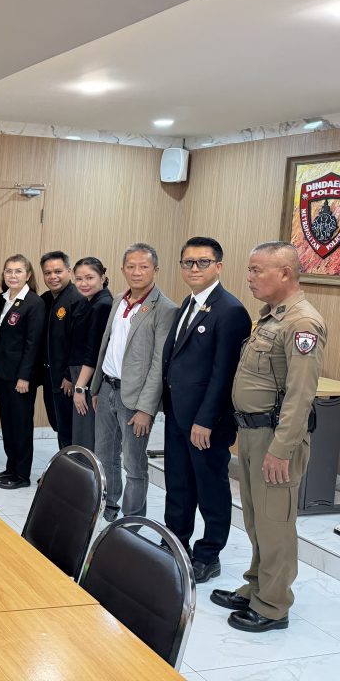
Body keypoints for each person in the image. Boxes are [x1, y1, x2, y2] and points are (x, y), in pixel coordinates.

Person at [213, 242, 326, 633]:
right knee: (256, 518)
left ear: (285, 273)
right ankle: (257, 585)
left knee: (275, 523)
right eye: (250, 269)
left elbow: (300, 395)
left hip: (275, 439)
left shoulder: (302, 323)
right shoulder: (271, 318)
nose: (250, 278)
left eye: (257, 270)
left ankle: (274, 605)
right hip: (252, 433)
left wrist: (281, 450)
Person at [162, 237, 250, 584]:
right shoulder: (189, 302)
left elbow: (224, 373)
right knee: (178, 483)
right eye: (188, 262)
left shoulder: (230, 311)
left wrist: (205, 420)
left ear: (219, 266)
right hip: (177, 414)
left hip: (206, 422)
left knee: (210, 488)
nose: (194, 268)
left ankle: (209, 554)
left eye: (202, 262)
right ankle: (175, 541)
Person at [92, 243, 176, 521]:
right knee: (105, 455)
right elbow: (106, 346)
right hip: (107, 387)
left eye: (143, 267)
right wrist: (96, 387)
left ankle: (133, 521)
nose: (136, 272)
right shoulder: (118, 300)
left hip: (136, 399)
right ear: (122, 269)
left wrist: (146, 409)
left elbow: (158, 364)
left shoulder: (165, 309)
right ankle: (109, 506)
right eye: (131, 266)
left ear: (155, 270)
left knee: (134, 464)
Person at [0, 255, 45, 489]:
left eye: (18, 271)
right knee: (8, 423)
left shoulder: (34, 303)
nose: (13, 275)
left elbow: (33, 344)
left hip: (21, 377)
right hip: (2, 372)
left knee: (21, 425)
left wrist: (24, 376)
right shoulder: (2, 299)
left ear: (28, 275)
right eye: (8, 271)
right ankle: (11, 467)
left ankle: (22, 474)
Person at [40, 251, 87, 449]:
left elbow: (80, 343)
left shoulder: (77, 299)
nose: (53, 277)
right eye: (47, 273)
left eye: (58, 271)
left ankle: (71, 466)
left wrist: (69, 375)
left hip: (67, 379)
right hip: (50, 375)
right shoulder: (45, 299)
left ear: (69, 271)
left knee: (69, 429)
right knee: (58, 424)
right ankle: (64, 462)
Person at [69, 257, 113, 451]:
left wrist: (80, 387)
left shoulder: (102, 304)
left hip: (87, 377)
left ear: (102, 277)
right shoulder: (89, 301)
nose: (83, 283)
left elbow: (93, 351)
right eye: (79, 279)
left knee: (86, 434)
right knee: (81, 433)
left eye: (89, 278)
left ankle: (86, 470)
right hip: (80, 374)